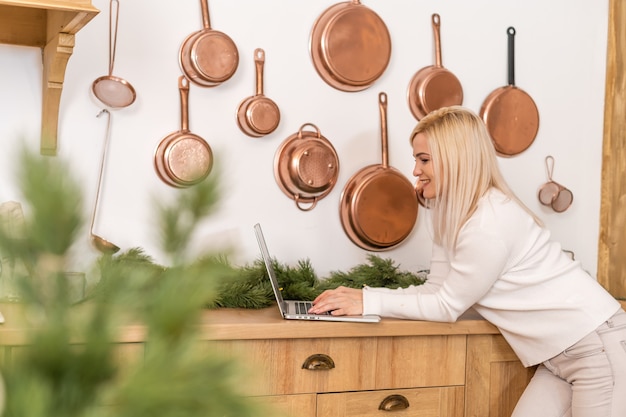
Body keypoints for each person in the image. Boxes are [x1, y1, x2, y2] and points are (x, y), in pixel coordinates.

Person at [309, 106, 626, 417]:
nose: (416, 170)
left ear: (453, 161)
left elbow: (447, 305)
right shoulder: (455, 216)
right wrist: (366, 298)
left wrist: (370, 302)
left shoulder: (488, 223)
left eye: (423, 160)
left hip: (596, 348)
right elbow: (435, 290)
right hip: (563, 355)